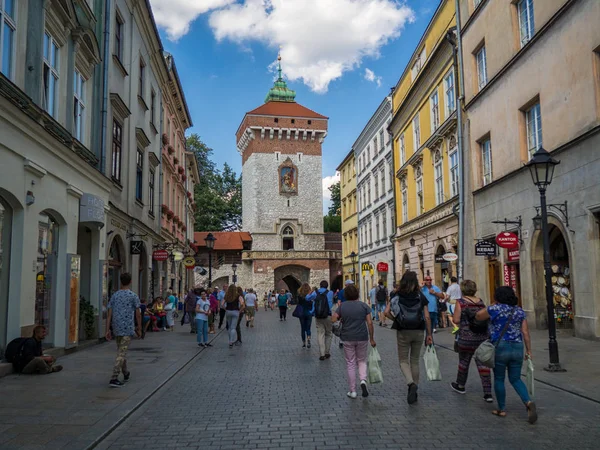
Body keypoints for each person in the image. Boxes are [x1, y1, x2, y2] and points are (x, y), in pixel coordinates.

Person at [475, 286, 537, 423]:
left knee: (499, 378)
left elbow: (478, 316)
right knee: (515, 379)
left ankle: (501, 409)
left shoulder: (495, 309)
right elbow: (525, 332)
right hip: (517, 347)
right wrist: (529, 350)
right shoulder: (519, 311)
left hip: (500, 346)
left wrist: (492, 306)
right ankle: (528, 402)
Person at [384, 271, 433, 404]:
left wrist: (396, 320)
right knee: (415, 360)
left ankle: (410, 383)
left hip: (403, 330)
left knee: (403, 361)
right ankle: (415, 388)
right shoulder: (420, 295)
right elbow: (427, 317)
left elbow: (386, 312)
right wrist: (429, 335)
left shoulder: (396, 294)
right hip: (418, 330)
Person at [450, 280, 492, 402]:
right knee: (483, 364)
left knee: (464, 362)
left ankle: (460, 385)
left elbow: (456, 320)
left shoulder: (461, 302)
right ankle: (488, 393)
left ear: (463, 289)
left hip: (466, 337)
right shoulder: (480, 302)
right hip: (482, 337)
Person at [332, 284, 376, 399]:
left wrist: (341, 318)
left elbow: (333, 318)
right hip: (362, 337)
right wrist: (371, 338)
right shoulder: (364, 306)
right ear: (357, 294)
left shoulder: (342, 307)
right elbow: (370, 323)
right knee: (361, 360)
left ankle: (353, 391)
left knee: (350, 363)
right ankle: (363, 380)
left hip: (347, 337)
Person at [105, 273, 141, 388]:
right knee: (121, 352)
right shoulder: (133, 295)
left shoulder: (115, 295)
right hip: (127, 327)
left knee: (122, 350)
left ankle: (125, 372)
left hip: (116, 327)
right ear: (130, 281)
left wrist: (107, 329)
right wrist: (139, 327)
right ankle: (114, 377)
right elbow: (138, 313)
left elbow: (109, 314)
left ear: (121, 281)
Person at [310, 280, 334, 360]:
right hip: (328, 315)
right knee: (329, 334)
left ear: (320, 286)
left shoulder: (315, 293)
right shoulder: (330, 293)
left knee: (320, 334)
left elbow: (307, 298)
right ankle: (327, 352)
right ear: (327, 286)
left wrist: (311, 293)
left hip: (318, 316)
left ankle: (322, 353)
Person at [296, 283, 314, 348]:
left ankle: (304, 342)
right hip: (309, 313)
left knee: (303, 328)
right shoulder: (311, 295)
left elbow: (298, 303)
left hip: (302, 313)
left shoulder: (299, 295)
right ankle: (309, 340)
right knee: (308, 328)